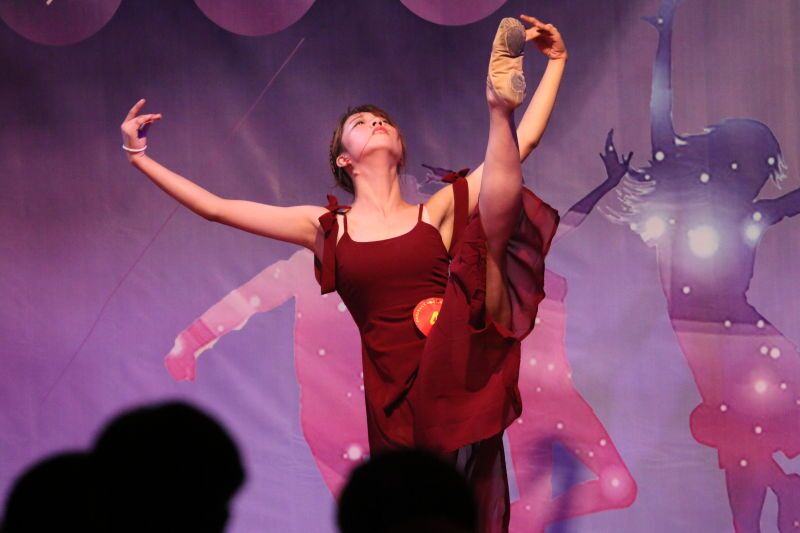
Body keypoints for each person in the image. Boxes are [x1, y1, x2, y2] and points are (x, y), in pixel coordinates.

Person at [121, 15, 566, 533]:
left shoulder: (437, 211)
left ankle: (498, 107)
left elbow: (524, 144)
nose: (376, 123)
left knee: (493, 209)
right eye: (361, 123)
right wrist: (137, 156)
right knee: (416, 518)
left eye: (383, 121)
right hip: (392, 397)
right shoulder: (327, 227)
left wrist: (557, 61)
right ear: (344, 161)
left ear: (400, 148)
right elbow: (216, 208)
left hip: (450, 365)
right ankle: (498, 112)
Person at [603, 0, 800, 531]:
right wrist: (664, 41)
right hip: (708, 333)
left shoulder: (753, 213)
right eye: (755, 165)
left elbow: (794, 201)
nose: (758, 178)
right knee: (738, 443)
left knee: (742, 441)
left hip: (738, 331)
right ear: (731, 160)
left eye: (763, 171)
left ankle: (780, 494)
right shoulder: (692, 199)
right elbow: (660, 118)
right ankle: (781, 493)